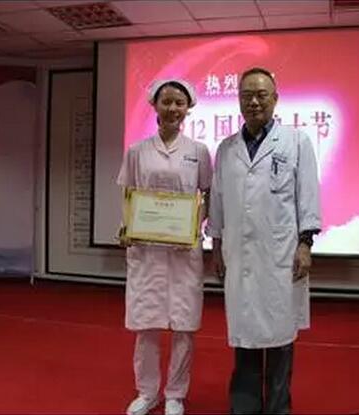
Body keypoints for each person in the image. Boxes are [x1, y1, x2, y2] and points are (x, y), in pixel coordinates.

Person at [207, 67, 321, 414]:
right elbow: (218, 201)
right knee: (245, 337)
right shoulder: (227, 148)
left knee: (280, 338)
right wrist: (216, 247)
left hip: (280, 256)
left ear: (275, 99)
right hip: (239, 257)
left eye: (261, 95)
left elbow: (308, 195)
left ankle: (277, 408)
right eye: (246, 95)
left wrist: (305, 243)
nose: (254, 102)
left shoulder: (296, 142)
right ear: (239, 100)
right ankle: (244, 406)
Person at [117, 79, 212, 415]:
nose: (173, 108)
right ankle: (147, 392)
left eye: (179, 103)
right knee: (147, 325)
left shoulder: (198, 151)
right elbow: (128, 195)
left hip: (184, 251)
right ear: (154, 106)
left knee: (184, 326)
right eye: (167, 101)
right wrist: (127, 227)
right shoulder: (137, 151)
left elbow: (207, 194)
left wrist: (197, 225)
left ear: (188, 108)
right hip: (147, 251)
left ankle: (175, 394)